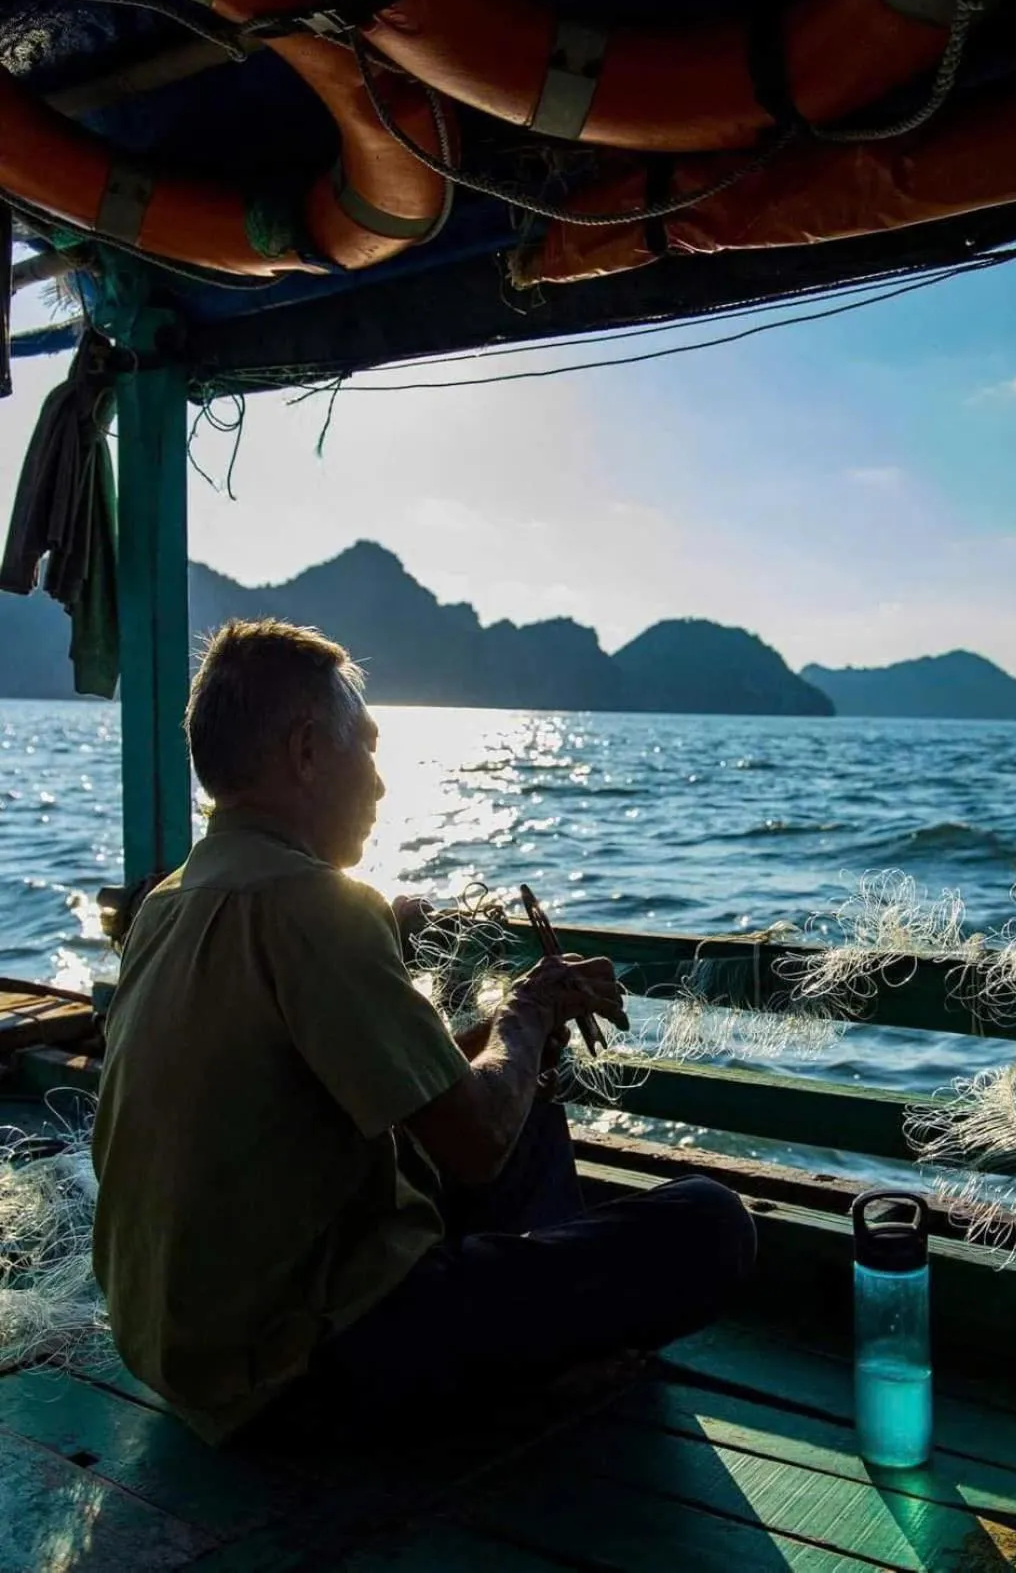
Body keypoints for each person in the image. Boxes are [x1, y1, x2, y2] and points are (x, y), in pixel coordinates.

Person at [92, 619, 756, 1445]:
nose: (378, 784)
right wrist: (528, 1012)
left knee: (532, 1109)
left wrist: (523, 1025)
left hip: (179, 1352)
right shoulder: (313, 904)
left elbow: (417, 1094)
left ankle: (538, 1346)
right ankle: (535, 1365)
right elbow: (473, 1142)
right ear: (306, 751)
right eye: (366, 750)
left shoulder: (171, 903)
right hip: (300, 1367)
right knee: (711, 1224)